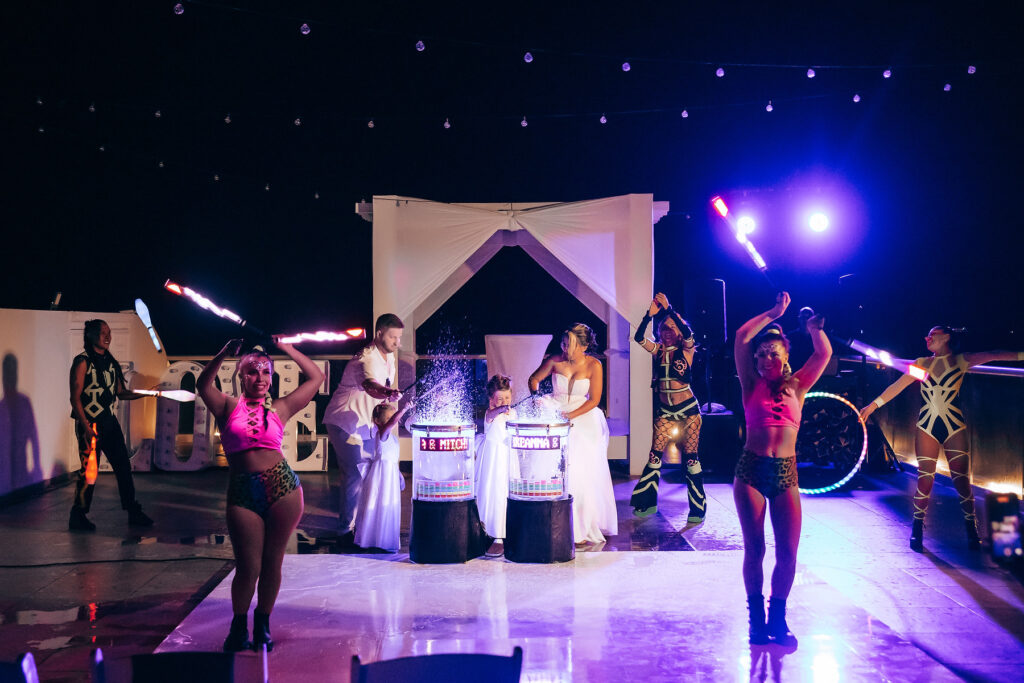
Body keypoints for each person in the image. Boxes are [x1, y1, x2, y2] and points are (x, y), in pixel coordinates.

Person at [197, 339, 324, 652]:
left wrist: (288, 349)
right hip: (243, 489)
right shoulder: (227, 406)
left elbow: (316, 378)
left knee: (272, 563)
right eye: (253, 372)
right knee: (248, 566)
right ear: (241, 376)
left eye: (266, 372)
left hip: (283, 488)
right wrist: (224, 351)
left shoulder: (281, 408)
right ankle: (239, 624)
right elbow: (203, 383)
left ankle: (263, 622)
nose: (261, 378)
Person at [859, 326, 1023, 552]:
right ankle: (917, 528)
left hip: (954, 426)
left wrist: (1021, 356)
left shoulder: (960, 361)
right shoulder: (923, 364)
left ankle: (971, 527)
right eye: (927, 335)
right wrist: (873, 405)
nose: (927, 338)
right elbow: (899, 385)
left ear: (946, 338)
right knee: (924, 480)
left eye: (932, 335)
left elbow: (993, 354)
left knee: (961, 482)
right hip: (927, 426)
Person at [733, 292, 830, 646]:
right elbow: (742, 336)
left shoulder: (799, 385)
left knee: (788, 553)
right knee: (755, 549)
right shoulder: (749, 382)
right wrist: (773, 312)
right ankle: (756, 619)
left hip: (786, 474)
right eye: (761, 354)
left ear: (786, 356)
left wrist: (814, 329)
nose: (765, 357)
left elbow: (823, 354)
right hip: (751, 472)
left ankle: (778, 617)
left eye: (773, 352)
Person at [528, 323, 617, 547]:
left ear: (583, 345)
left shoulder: (594, 365)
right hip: (555, 416)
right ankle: (551, 522)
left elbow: (594, 400)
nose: (565, 348)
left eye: (570, 344)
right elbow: (534, 380)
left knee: (581, 474)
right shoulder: (554, 360)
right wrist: (538, 399)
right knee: (551, 470)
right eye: (564, 343)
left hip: (583, 421)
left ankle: (581, 528)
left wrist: (572, 416)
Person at [322, 314, 403, 542]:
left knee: (370, 472)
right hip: (344, 422)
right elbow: (371, 386)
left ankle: (363, 527)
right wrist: (387, 393)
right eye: (393, 337)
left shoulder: (389, 358)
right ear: (379, 334)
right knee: (355, 475)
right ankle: (345, 531)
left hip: (366, 424)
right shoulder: (366, 358)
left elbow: (383, 389)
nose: (398, 342)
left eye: (399, 337)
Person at [68, 319, 153, 531]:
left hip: (109, 423)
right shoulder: (82, 361)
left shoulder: (111, 362)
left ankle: (133, 511)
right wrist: (86, 427)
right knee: (90, 472)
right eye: (103, 332)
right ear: (91, 335)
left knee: (123, 466)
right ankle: (78, 515)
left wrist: (148, 393)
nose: (108, 336)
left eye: (109, 332)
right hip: (91, 424)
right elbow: (75, 398)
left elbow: (121, 393)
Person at [630, 292, 705, 522]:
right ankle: (647, 503)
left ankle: (697, 509)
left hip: (689, 411)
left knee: (691, 459)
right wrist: (649, 316)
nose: (667, 331)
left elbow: (689, 333)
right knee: (654, 457)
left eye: (672, 327)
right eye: (664, 327)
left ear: (680, 331)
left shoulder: (687, 348)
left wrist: (669, 308)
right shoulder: (659, 350)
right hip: (665, 411)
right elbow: (639, 338)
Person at [354, 400, 412, 552]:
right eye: (388, 419)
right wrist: (404, 408)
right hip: (381, 475)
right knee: (378, 503)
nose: (392, 422)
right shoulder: (382, 434)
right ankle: (372, 539)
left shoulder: (392, 438)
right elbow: (393, 422)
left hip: (390, 473)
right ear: (377, 421)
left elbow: (391, 458)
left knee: (388, 505)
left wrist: (399, 474)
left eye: (391, 419)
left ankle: (385, 540)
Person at [475, 374, 516, 557]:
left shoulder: (513, 413)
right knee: (493, 493)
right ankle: (491, 534)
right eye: (499, 399)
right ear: (491, 399)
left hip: (508, 456)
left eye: (507, 398)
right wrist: (500, 409)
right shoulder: (490, 414)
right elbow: (492, 415)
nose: (504, 402)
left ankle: (505, 534)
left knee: (506, 492)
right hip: (493, 459)